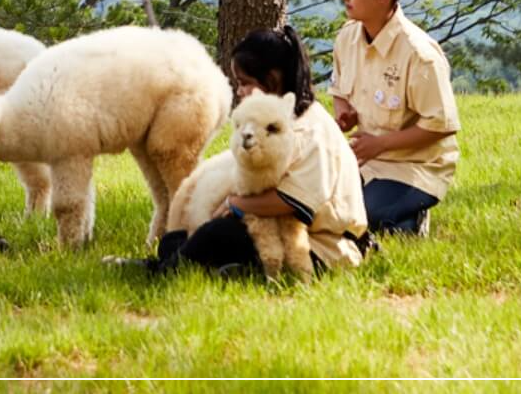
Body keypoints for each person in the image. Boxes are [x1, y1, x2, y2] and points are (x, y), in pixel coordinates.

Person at [115, 26, 369, 276]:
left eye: (244, 83)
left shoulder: (311, 130)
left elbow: (293, 203)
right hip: (274, 227)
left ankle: (161, 272)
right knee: (175, 240)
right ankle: (222, 269)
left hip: (321, 246)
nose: (239, 92)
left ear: (272, 79)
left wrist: (235, 204)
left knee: (215, 235)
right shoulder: (280, 119)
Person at [331, 0, 460, 235]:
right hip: (364, 162)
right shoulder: (347, 38)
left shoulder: (419, 54)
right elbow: (338, 89)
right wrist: (344, 113)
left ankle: (411, 216)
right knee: (322, 209)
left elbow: (441, 126)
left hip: (414, 167)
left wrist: (380, 144)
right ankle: (399, 222)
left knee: (361, 218)